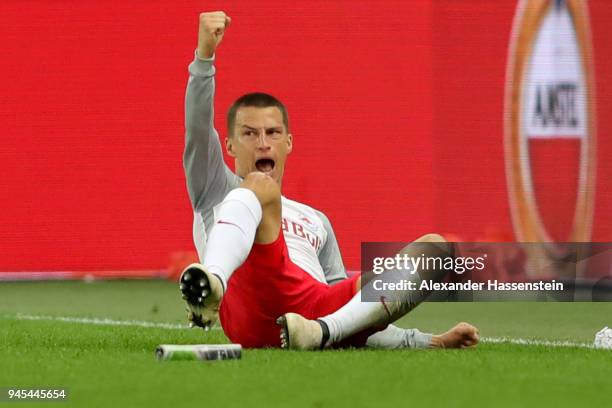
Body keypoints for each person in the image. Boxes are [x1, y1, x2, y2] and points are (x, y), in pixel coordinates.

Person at [180, 11, 479, 350]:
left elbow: (358, 309)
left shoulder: (316, 220)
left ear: (288, 142)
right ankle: (213, 283)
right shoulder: (215, 188)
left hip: (312, 310)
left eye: (273, 132)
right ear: (230, 144)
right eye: (249, 133)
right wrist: (204, 58)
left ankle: (320, 334)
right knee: (260, 185)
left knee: (435, 248)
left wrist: (426, 341)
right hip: (247, 309)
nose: (263, 142)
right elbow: (198, 129)